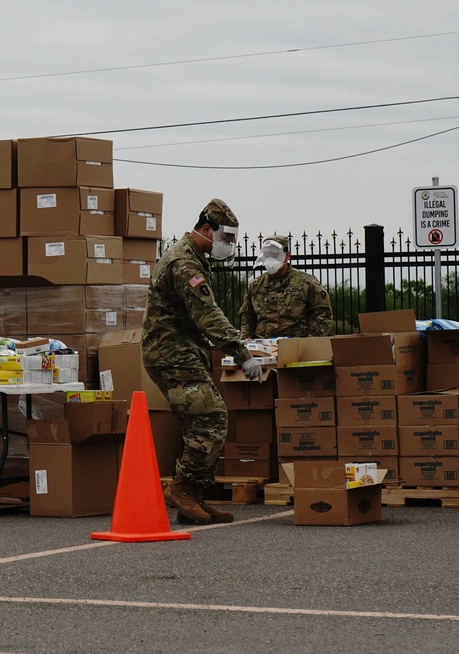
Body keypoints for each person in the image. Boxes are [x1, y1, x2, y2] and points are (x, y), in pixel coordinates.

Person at [141, 199, 262, 525]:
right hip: (170, 354)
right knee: (212, 417)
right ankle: (181, 489)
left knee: (200, 422)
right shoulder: (185, 265)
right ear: (206, 229)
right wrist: (242, 353)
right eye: (227, 239)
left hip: (180, 352)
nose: (229, 246)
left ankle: (192, 496)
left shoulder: (193, 258)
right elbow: (208, 315)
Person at [240, 234, 333, 339]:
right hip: (263, 347)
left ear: (287, 255)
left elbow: (323, 315)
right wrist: (246, 340)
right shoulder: (256, 285)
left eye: (275, 255)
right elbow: (247, 318)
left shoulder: (306, 283)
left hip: (295, 346)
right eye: (267, 255)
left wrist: (309, 342)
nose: (270, 259)